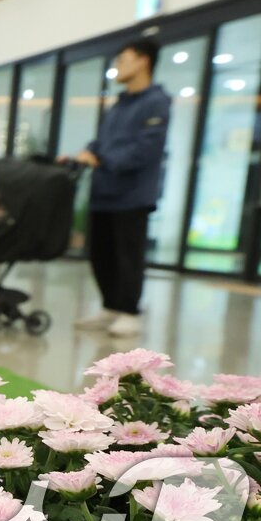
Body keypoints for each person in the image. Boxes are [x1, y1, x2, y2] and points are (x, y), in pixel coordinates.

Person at [60, 37, 171, 338]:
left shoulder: (156, 102)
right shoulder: (120, 103)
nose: (118, 65)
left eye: (123, 59)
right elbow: (101, 141)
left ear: (143, 60)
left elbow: (145, 150)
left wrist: (102, 158)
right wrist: (84, 155)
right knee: (101, 253)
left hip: (132, 195)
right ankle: (110, 307)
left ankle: (130, 311)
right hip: (103, 192)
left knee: (128, 255)